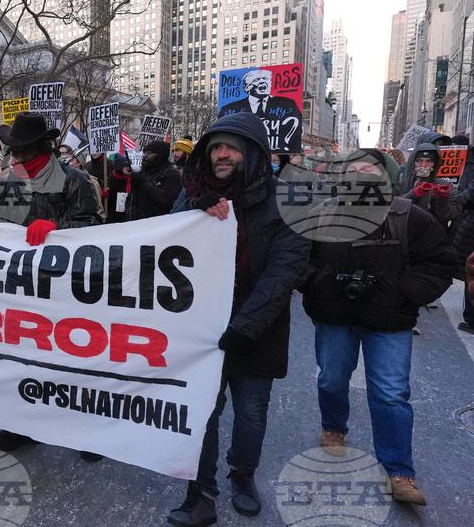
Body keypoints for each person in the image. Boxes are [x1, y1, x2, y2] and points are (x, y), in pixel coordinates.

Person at [165, 113, 309, 527]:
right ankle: (201, 493)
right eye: (214, 148)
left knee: (251, 412)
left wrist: (245, 326)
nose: (221, 155)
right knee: (204, 411)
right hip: (203, 328)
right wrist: (194, 210)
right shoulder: (192, 192)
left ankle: (242, 474)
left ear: (252, 153)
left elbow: (286, 272)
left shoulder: (286, 200)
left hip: (255, 330)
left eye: (230, 147)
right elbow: (165, 237)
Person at [299, 149, 453, 506]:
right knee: (331, 379)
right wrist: (321, 284)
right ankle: (333, 429)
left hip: (389, 321)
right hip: (334, 316)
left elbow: (438, 265)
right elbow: (299, 260)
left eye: (368, 169)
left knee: (391, 393)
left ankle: (400, 471)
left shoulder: (408, 217)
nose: (360, 175)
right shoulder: (321, 213)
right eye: (353, 170)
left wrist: (401, 293)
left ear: (385, 175)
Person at [0, 112, 101, 455]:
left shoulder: (76, 180)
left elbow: (94, 231)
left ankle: (85, 430)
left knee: (74, 363)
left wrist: (57, 232)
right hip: (23, 289)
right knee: (23, 361)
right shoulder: (10, 182)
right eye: (13, 152)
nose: (16, 159)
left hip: (67, 291)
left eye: (24, 152)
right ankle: (24, 424)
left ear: (42, 148)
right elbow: (0, 222)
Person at [401, 143, 459, 232]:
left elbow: (449, 215)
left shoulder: (444, 185)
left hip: (432, 235)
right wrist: (413, 194)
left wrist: (441, 200)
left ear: (435, 164)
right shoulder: (401, 181)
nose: (424, 165)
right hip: (404, 233)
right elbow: (392, 207)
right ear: (413, 162)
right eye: (419, 161)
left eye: (429, 161)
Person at [128, 140, 183, 221]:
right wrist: (130, 212)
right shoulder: (143, 173)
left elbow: (168, 200)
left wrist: (142, 182)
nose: (144, 156)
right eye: (144, 152)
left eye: (149, 153)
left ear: (160, 156)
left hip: (159, 224)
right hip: (138, 223)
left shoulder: (172, 174)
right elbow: (131, 198)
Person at [104, 153, 133, 224]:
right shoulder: (110, 180)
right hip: (114, 217)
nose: (130, 168)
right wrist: (105, 197)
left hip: (129, 216)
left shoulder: (134, 179)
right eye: (126, 166)